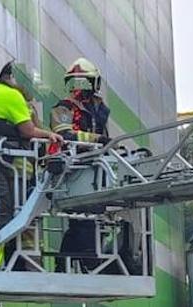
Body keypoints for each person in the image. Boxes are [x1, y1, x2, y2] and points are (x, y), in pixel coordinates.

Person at [0, 62, 62, 268]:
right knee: (2, 209)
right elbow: (28, 131)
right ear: (12, 80)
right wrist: (51, 135)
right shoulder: (12, 95)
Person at [51, 58, 117, 272]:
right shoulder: (63, 108)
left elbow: (106, 138)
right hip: (72, 170)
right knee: (83, 220)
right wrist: (96, 140)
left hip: (96, 168)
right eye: (76, 84)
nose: (79, 89)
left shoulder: (99, 110)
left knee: (85, 220)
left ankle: (66, 264)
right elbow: (64, 134)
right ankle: (87, 261)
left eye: (84, 83)